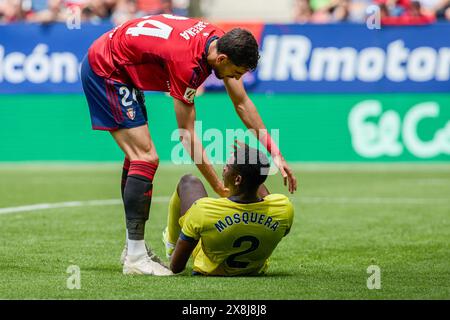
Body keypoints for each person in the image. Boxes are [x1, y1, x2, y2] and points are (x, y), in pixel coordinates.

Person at [80, 14, 297, 276]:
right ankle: (136, 258)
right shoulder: (187, 63)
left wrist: (276, 154)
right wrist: (218, 185)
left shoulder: (219, 42)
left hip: (122, 64)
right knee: (145, 158)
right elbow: (187, 135)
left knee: (136, 156)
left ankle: (133, 249)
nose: (236, 78)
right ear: (222, 60)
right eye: (236, 73)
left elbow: (242, 103)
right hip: (107, 67)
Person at [163, 142, 294, 276]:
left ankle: (171, 245)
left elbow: (176, 267)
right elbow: (260, 188)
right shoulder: (283, 208)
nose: (224, 168)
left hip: (211, 269)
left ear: (237, 179)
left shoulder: (203, 210)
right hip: (254, 269)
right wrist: (252, 162)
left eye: (228, 165)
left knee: (188, 181)